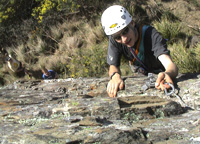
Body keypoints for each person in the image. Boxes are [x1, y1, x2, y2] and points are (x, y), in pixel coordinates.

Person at [101, 5, 178, 97]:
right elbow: (113, 66)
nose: (124, 39)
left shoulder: (151, 35)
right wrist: (115, 76)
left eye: (125, 31)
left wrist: (167, 74)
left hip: (159, 73)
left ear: (132, 23)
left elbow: (170, 65)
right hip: (140, 74)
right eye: (118, 37)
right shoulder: (114, 39)